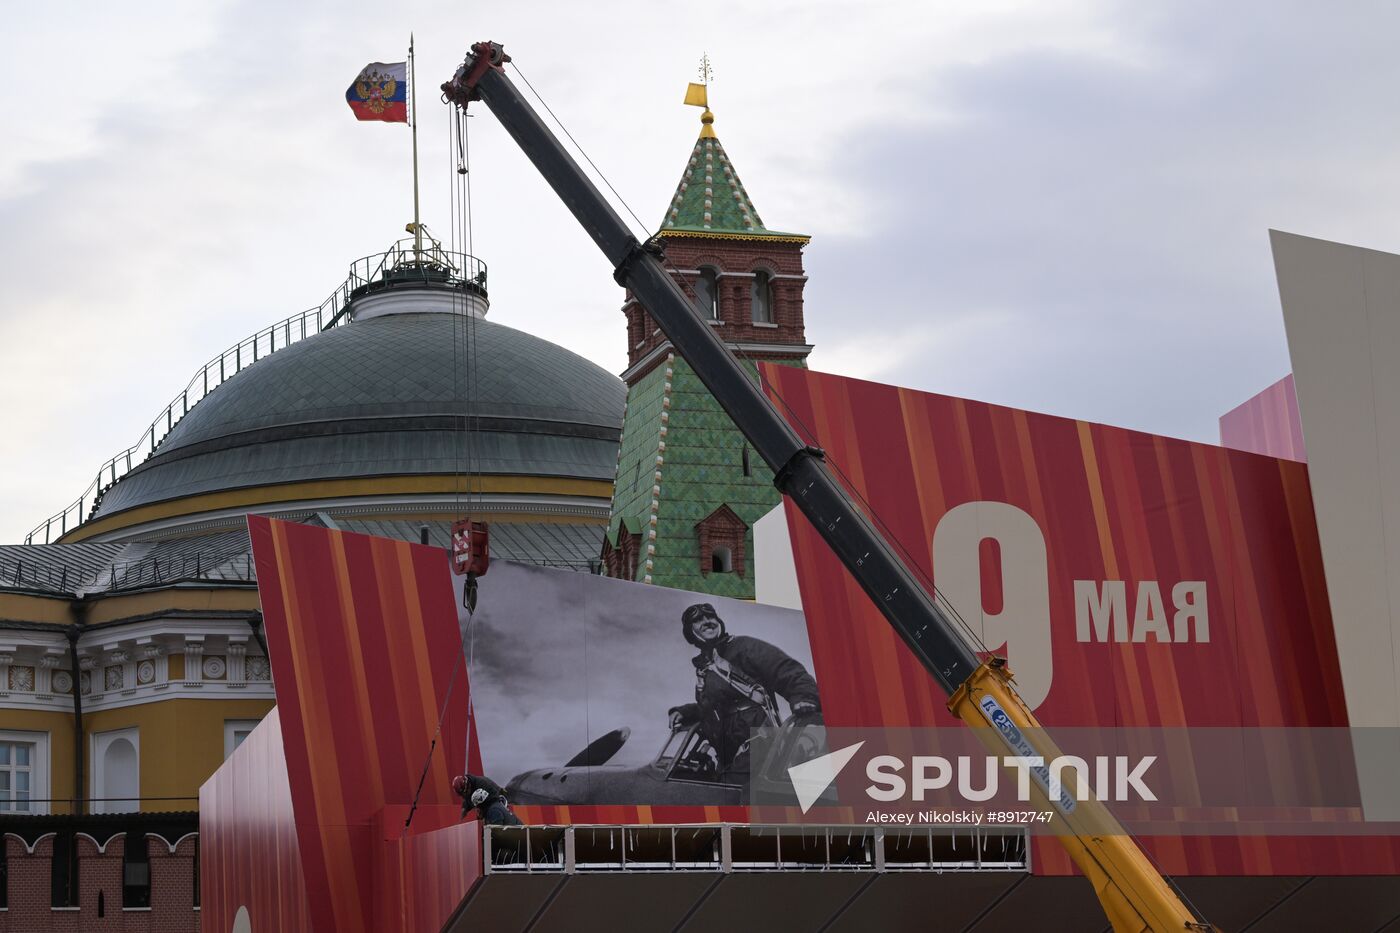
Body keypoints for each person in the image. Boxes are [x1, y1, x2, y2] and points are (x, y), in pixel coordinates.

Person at [667, 603, 821, 785]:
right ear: (690, 631)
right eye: (698, 620)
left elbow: (785, 669)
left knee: (731, 792)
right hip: (729, 750)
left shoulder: (744, 647)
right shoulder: (705, 669)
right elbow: (711, 708)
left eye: (711, 617)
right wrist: (685, 711)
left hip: (758, 739)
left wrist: (804, 696)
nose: (707, 622)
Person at [452, 772, 523, 826]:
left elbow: (496, 833)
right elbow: (467, 802)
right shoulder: (469, 792)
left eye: (478, 808)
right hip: (493, 808)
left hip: (498, 798)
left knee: (496, 818)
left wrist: (483, 813)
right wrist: (464, 811)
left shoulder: (483, 784)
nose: (464, 796)